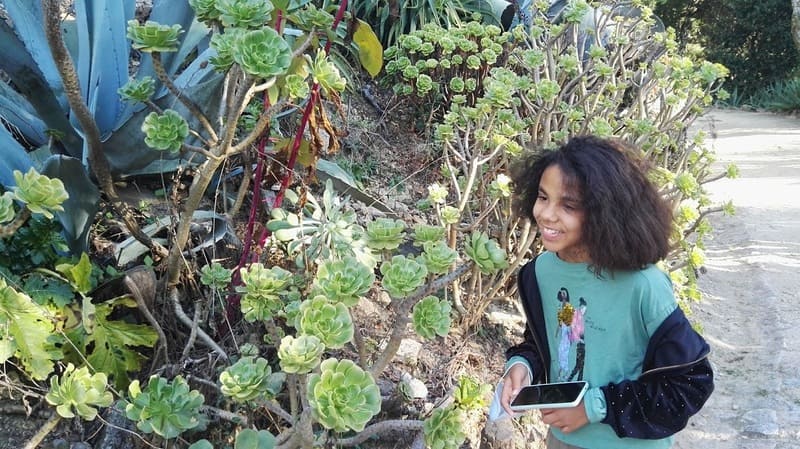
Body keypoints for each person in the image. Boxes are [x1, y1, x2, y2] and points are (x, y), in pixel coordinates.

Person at [499, 135, 714, 448]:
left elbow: (690, 383)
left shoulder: (644, 286)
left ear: (605, 211)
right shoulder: (538, 273)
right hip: (560, 440)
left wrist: (594, 407)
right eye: (543, 197)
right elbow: (543, 342)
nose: (546, 214)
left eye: (568, 205)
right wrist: (522, 366)